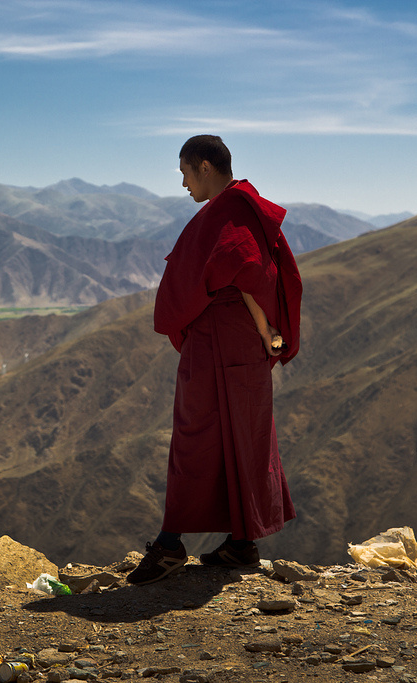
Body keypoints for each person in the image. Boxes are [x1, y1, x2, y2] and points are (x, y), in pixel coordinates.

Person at [127, 135, 302, 585]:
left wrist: (266, 331)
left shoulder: (231, 210)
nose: (183, 183)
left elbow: (246, 273)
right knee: (242, 432)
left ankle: (169, 545)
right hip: (233, 340)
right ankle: (242, 544)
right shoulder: (235, 208)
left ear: (204, 167)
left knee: (194, 433)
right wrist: (262, 334)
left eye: (185, 172)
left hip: (223, 338)